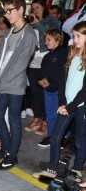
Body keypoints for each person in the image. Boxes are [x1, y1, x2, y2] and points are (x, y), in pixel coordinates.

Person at [0, 0, 37, 170]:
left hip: (14, 85)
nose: (6, 14)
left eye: (9, 11)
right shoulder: (8, 33)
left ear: (21, 9)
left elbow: (20, 65)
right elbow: (0, 59)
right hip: (1, 83)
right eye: (5, 11)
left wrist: (0, 82)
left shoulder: (29, 35)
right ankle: (6, 149)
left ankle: (12, 156)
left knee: (14, 120)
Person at [37, 21, 86, 178]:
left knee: (79, 140)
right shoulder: (71, 52)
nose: (75, 39)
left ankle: (77, 168)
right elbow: (64, 80)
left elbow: (85, 90)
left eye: (79, 36)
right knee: (56, 136)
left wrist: (70, 106)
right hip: (68, 104)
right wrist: (63, 102)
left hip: (81, 105)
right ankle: (52, 168)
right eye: (73, 36)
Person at [24, 0, 59, 135]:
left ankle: (46, 121)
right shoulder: (32, 23)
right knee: (34, 92)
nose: (35, 11)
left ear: (44, 7)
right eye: (33, 9)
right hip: (33, 59)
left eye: (37, 8)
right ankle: (37, 118)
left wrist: (38, 22)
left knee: (46, 91)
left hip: (47, 58)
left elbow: (51, 33)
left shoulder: (51, 20)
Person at [37, 28, 67, 147]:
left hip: (59, 91)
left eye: (49, 39)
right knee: (50, 115)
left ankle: (64, 137)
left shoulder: (64, 54)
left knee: (62, 115)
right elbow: (42, 73)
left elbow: (63, 75)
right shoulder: (47, 56)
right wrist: (41, 81)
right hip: (48, 90)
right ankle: (50, 137)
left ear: (57, 39)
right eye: (45, 40)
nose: (46, 42)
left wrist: (52, 84)